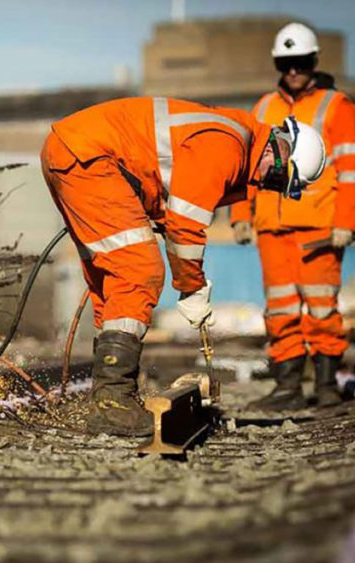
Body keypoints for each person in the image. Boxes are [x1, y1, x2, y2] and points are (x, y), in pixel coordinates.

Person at [42, 96, 326, 436]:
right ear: (276, 151)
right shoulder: (229, 146)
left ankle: (111, 397)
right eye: (278, 177)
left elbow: (168, 200)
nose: (268, 185)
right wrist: (192, 287)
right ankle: (112, 403)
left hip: (75, 151)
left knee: (112, 281)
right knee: (139, 269)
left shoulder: (235, 141)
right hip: (90, 156)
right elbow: (185, 224)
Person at [230, 23, 355, 411]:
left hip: (319, 229)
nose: (293, 71)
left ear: (313, 61)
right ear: (278, 63)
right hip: (271, 229)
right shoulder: (263, 108)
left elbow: (352, 170)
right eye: (286, 63)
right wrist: (241, 213)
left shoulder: (337, 107)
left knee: (322, 309)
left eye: (301, 62)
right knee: (281, 311)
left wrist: (345, 222)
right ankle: (288, 387)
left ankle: (325, 386)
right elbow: (249, 165)